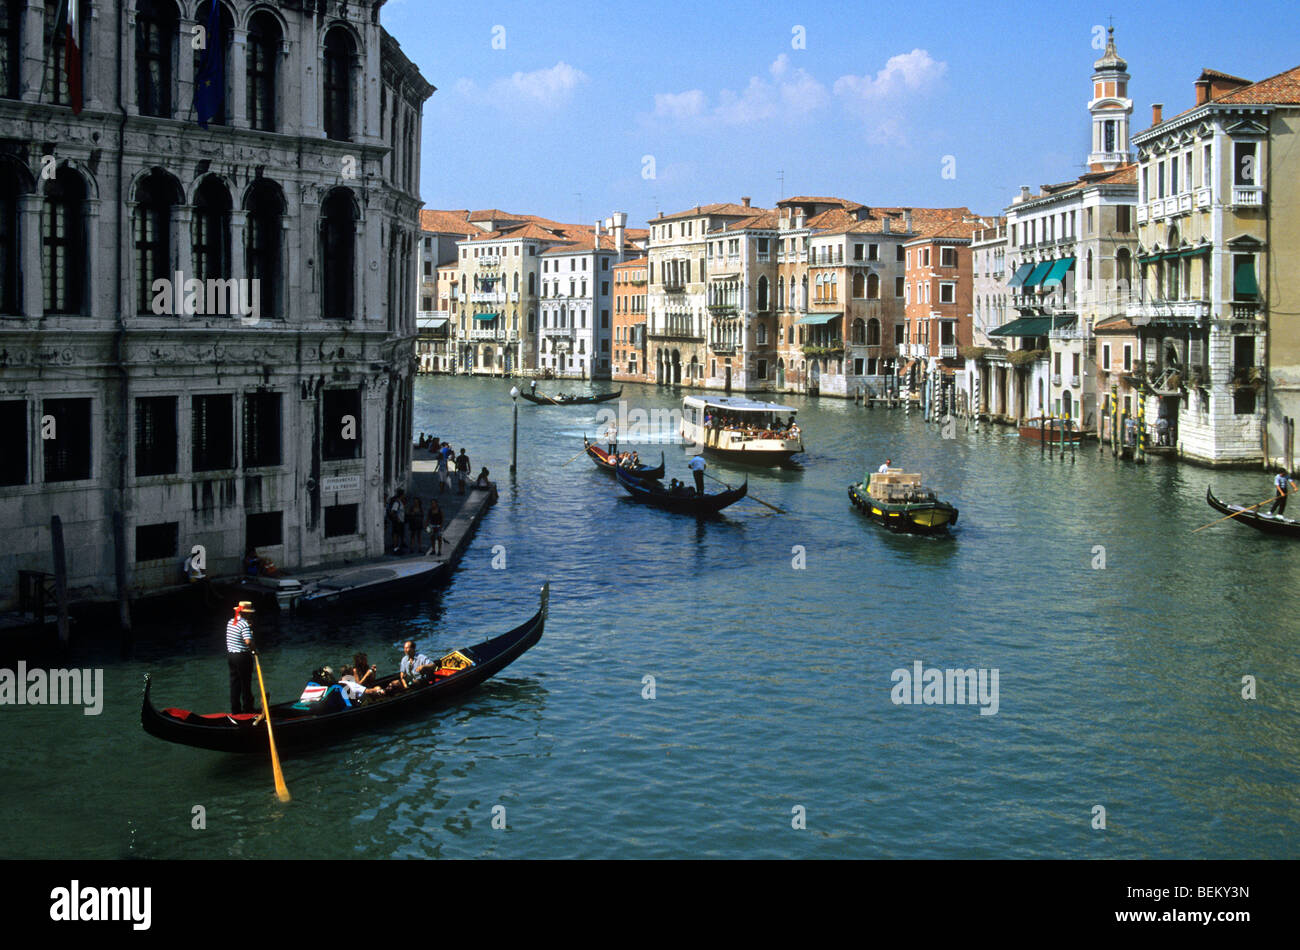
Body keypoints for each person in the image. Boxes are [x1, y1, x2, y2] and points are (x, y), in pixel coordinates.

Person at [226, 601, 256, 714]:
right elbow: (248, 641)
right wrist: (254, 650)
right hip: (242, 657)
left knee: (235, 683)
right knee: (246, 684)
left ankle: (235, 710)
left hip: (231, 656)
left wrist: (248, 627)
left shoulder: (230, 622)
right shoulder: (243, 624)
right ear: (246, 613)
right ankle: (248, 709)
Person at [387, 488, 406, 553]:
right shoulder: (397, 502)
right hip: (398, 522)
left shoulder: (400, 502)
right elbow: (393, 512)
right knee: (396, 535)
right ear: (402, 495)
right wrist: (397, 519)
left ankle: (397, 547)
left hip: (400, 521)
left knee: (398, 534)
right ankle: (395, 548)